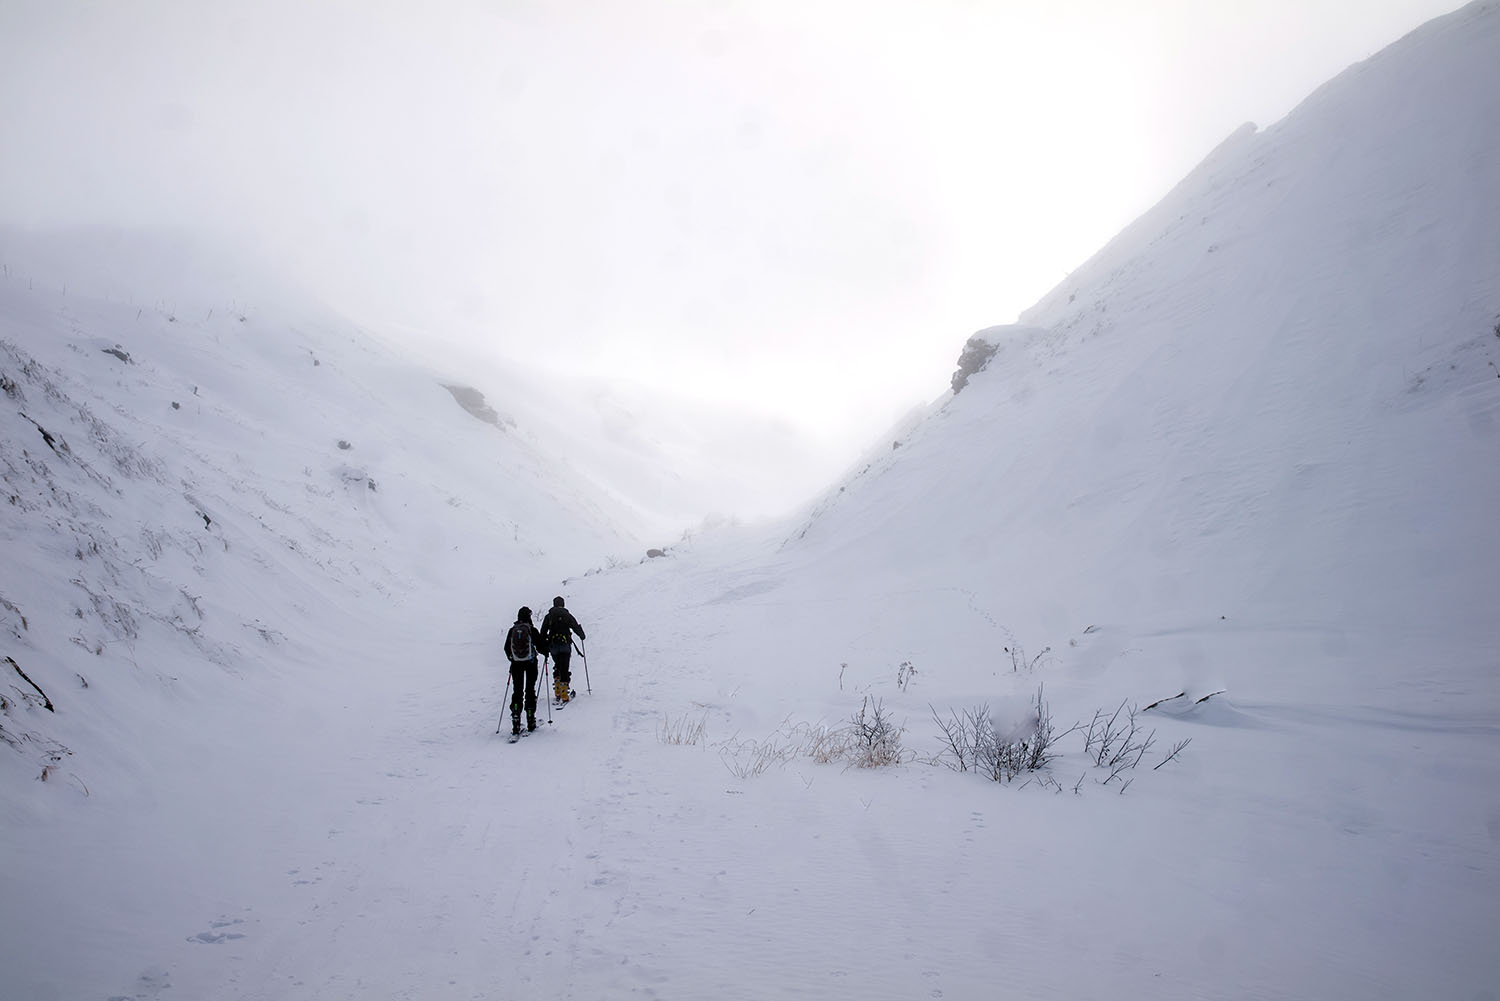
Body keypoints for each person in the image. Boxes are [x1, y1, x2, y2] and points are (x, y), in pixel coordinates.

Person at [505, 606, 545, 734]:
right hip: (531, 664)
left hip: (516, 665)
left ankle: (516, 720)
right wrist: (546, 653)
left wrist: (512, 659)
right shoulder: (532, 630)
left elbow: (506, 648)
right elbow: (541, 646)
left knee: (517, 691)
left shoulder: (512, 630)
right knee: (529, 690)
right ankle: (530, 718)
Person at [539, 596, 586, 705]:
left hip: (553, 645)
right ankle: (564, 693)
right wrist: (582, 635)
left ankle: (557, 690)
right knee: (565, 666)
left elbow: (543, 632)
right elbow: (575, 626)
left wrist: (544, 645)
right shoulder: (567, 615)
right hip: (565, 644)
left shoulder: (549, 616)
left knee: (557, 665)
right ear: (563, 604)